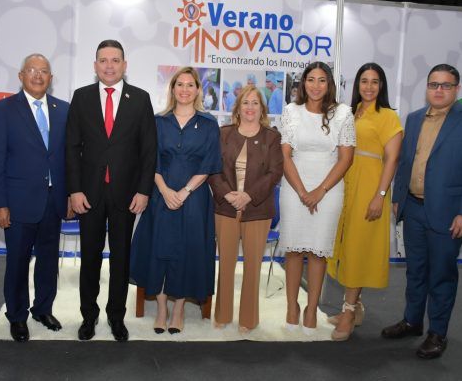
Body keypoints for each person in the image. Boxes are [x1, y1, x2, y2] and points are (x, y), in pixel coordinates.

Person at [381, 64, 462, 359]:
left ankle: (437, 333)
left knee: (441, 275)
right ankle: (412, 321)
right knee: (415, 271)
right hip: (413, 208)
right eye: (434, 84)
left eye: (446, 85)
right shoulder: (414, 118)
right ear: (427, 87)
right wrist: (398, 198)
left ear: (457, 89)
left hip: (449, 214)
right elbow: (405, 162)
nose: (439, 90)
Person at [67, 40, 157, 342]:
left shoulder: (140, 99)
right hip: (89, 194)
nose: (109, 66)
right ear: (95, 65)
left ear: (124, 65)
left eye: (115, 60)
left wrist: (144, 191)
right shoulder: (81, 97)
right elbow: (71, 147)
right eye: (103, 60)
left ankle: (116, 316)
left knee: (121, 258)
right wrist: (74, 190)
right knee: (90, 257)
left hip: (126, 194)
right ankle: (88, 316)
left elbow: (149, 150)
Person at [130, 66, 221, 335]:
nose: (184, 89)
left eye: (190, 85)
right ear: (172, 89)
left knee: (186, 252)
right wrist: (165, 190)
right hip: (161, 195)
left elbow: (209, 163)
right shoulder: (158, 122)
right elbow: (150, 159)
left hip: (194, 198)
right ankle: (161, 309)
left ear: (198, 89)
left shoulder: (209, 124)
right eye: (179, 84)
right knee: (159, 250)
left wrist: (184, 192)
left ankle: (179, 309)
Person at [0, 53, 69, 342]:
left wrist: (68, 195)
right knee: (18, 263)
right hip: (18, 202)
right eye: (32, 70)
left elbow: (69, 157)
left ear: (51, 78)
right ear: (21, 75)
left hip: (53, 201)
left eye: (44, 71)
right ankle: (17, 315)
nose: (38, 75)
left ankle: (43, 309)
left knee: (48, 261)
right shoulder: (3, 109)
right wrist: (0, 204)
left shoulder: (63, 109)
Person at [326, 63, 403, 341]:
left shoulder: (388, 116)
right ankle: (355, 307)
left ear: (381, 86)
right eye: (364, 81)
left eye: (375, 81)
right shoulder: (352, 112)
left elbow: (392, 159)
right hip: (347, 184)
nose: (369, 87)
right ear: (357, 84)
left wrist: (380, 196)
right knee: (346, 245)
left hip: (370, 186)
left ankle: (347, 313)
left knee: (358, 247)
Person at [279, 61, 355, 334]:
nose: (315, 85)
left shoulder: (343, 113)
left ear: (329, 84)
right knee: (294, 250)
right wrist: (302, 192)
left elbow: (346, 159)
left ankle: (311, 308)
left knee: (317, 251)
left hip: (329, 189)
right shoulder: (291, 111)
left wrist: (319, 191)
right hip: (294, 187)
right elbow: (285, 155)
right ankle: (292, 307)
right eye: (311, 79)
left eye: (322, 80)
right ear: (303, 83)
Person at [208, 85, 283, 334]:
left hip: (258, 209)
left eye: (255, 103)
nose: (250, 107)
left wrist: (248, 196)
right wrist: (227, 194)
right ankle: (222, 314)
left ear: (262, 109)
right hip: (225, 207)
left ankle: (248, 319)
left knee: (252, 267)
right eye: (245, 103)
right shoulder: (223, 134)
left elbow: (275, 172)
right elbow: (212, 168)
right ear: (238, 108)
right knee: (225, 263)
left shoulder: (272, 137)